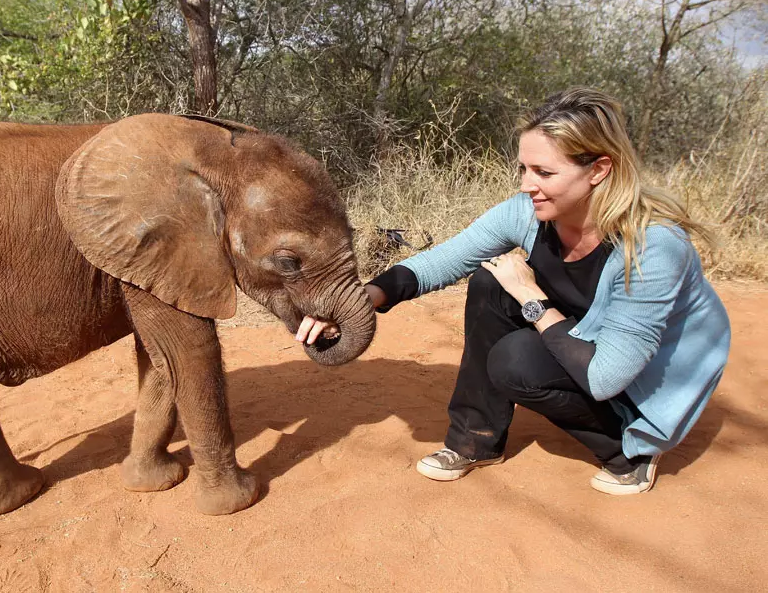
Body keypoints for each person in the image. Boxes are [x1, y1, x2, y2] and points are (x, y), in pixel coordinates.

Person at [297, 87, 731, 495]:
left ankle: (627, 449)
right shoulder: (530, 212)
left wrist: (533, 300)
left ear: (599, 169)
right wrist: (357, 301)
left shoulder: (654, 246)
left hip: (642, 383)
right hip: (586, 336)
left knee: (515, 359)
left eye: (544, 172)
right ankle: (476, 440)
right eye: (523, 168)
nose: (526, 183)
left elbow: (607, 376)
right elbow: (443, 260)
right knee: (490, 281)